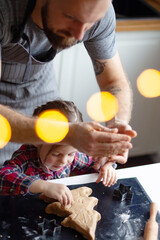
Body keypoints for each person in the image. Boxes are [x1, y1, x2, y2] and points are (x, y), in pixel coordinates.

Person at [0, 0, 136, 165]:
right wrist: (67, 134)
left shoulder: (97, 12)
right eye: (71, 17)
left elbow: (113, 81)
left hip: (38, 84)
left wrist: (116, 127)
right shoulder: (4, 10)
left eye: (90, 23)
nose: (79, 35)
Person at [0, 100, 117, 206]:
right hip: (21, 209)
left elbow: (93, 164)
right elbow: (4, 175)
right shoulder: (26, 157)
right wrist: (43, 186)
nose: (64, 161)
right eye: (56, 154)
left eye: (70, 154)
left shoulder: (72, 157)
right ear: (36, 141)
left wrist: (106, 168)